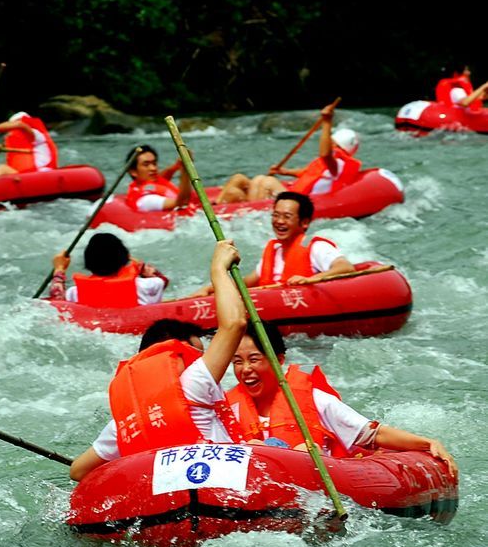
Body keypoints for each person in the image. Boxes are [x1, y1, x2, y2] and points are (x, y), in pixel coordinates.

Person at [69, 239, 247, 481]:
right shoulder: (194, 382)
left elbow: (78, 471)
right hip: (219, 489)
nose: (203, 360)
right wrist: (218, 268)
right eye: (196, 354)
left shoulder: (126, 422)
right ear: (174, 356)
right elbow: (234, 323)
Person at [227, 320, 458, 476]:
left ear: (278, 360)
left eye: (254, 359)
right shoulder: (227, 410)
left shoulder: (315, 401)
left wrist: (427, 443)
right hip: (253, 493)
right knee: (254, 447)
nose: (245, 369)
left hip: (309, 486)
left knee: (304, 449)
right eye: (237, 362)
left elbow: (372, 434)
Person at [191, 192, 355, 297]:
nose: (279, 222)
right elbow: (248, 282)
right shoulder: (274, 250)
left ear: (304, 222)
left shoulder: (316, 246)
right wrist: (212, 289)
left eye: (287, 216)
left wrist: (310, 280)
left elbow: (345, 268)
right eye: (276, 215)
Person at [215, 101, 361, 204]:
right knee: (239, 178)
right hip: (294, 194)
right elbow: (307, 173)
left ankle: (248, 206)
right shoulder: (330, 163)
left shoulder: (338, 164)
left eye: (333, 144)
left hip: (301, 201)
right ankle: (218, 204)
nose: (330, 145)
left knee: (266, 181)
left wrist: (327, 122)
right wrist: (284, 171)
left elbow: (325, 154)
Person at [48, 233, 169, 307]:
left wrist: (59, 269)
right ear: (124, 259)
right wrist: (139, 265)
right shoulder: (146, 285)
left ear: (88, 263)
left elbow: (57, 300)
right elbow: (163, 280)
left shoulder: (75, 293)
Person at [0, 111, 59, 175]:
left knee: (1, 169)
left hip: (41, 172)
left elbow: (19, 124)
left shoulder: (36, 134)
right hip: (26, 175)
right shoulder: (17, 141)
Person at [125, 144, 194, 212]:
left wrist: (176, 166)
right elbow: (182, 203)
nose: (153, 168)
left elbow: (162, 178)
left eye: (154, 163)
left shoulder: (151, 182)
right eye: (146, 165)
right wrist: (185, 169)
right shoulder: (146, 200)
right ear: (133, 171)